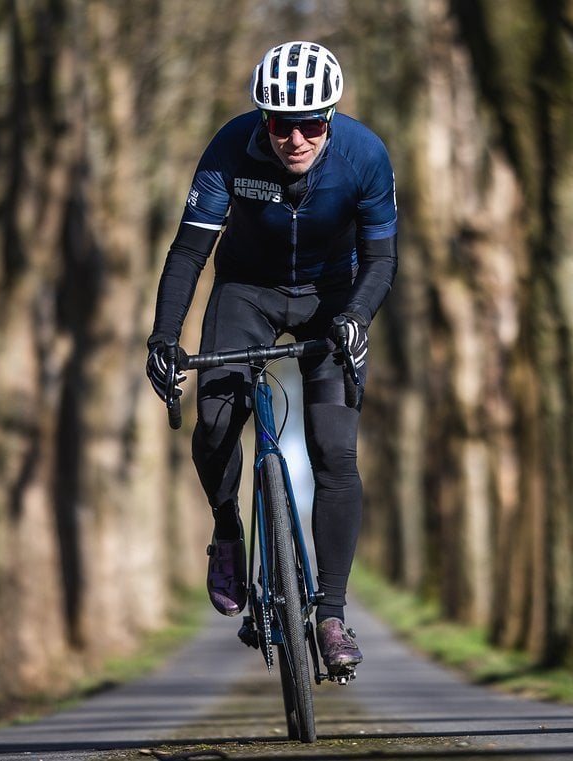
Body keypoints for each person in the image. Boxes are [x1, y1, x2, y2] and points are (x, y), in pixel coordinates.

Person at [145, 40, 397, 673]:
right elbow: (187, 253)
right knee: (218, 420)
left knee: (335, 451)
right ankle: (227, 529)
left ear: (330, 119)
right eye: (283, 124)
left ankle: (332, 615)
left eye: (312, 124)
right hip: (246, 293)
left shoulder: (364, 156)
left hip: (331, 300)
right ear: (264, 121)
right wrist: (163, 336)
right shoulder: (229, 149)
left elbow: (382, 259)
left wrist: (356, 318)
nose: (297, 139)